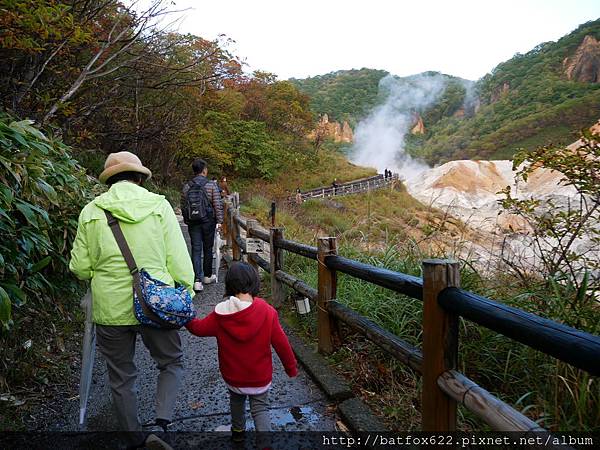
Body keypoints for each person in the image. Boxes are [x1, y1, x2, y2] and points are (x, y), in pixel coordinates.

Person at [69, 151, 194, 449]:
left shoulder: (91, 211)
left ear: (108, 181)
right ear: (140, 178)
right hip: (156, 303)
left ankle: (135, 438)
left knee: (121, 376)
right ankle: (161, 427)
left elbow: (79, 267)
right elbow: (178, 259)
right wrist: (185, 293)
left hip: (110, 309)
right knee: (172, 362)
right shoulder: (159, 205)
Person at [185, 262, 297, 441]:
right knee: (260, 409)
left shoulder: (220, 315)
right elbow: (282, 344)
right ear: (255, 283)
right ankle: (265, 443)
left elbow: (198, 329)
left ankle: (238, 433)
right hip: (260, 377)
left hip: (233, 376)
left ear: (228, 286)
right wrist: (291, 368)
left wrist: (186, 317)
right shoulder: (267, 312)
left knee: (236, 402)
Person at [181, 159, 224, 292]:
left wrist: (187, 219)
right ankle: (207, 276)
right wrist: (220, 221)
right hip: (208, 221)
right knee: (208, 247)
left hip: (193, 222)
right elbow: (217, 203)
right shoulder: (211, 185)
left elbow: (183, 205)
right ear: (204, 170)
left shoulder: (187, 186)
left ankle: (197, 281)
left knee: (196, 249)